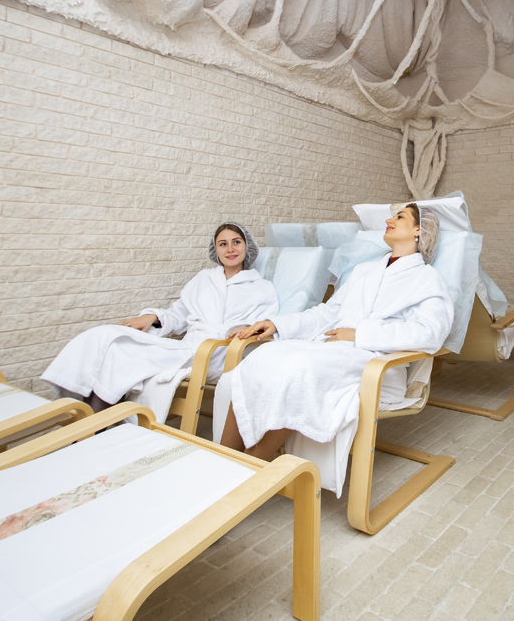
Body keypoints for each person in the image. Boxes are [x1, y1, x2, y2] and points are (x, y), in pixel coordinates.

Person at [214, 203, 453, 496]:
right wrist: (276, 324)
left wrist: (360, 334)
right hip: (333, 351)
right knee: (261, 357)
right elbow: (328, 313)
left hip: (376, 363)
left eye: (400, 216)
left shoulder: (427, 279)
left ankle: (248, 470)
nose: (389, 220)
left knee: (298, 370)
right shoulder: (365, 271)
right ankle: (222, 461)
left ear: (419, 230)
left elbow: (431, 333)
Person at [41, 222, 278, 421]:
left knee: (124, 358)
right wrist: (152, 318)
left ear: (247, 246)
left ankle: (91, 429)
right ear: (215, 250)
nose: (230, 249)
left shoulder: (261, 288)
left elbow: (263, 326)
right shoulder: (203, 279)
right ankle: (92, 423)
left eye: (236, 242)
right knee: (111, 340)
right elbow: (179, 313)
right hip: (188, 348)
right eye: (223, 244)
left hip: (218, 354)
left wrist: (246, 330)